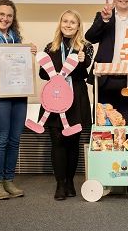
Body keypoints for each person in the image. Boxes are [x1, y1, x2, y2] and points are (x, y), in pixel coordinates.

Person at [0, 0, 37, 200]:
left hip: (18, 94)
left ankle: (8, 180)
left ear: (13, 19)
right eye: (1, 14)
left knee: (14, 140)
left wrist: (30, 53)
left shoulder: (15, 37)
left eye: (9, 15)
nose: (5, 18)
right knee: (1, 139)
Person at [38, 10, 93, 201]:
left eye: (73, 22)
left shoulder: (86, 47)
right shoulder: (50, 47)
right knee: (58, 143)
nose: (68, 25)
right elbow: (43, 75)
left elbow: (84, 71)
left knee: (73, 143)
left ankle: (70, 181)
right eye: (65, 21)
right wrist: (54, 73)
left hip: (76, 98)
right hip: (54, 98)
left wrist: (82, 61)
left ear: (78, 26)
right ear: (60, 23)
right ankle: (60, 184)